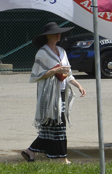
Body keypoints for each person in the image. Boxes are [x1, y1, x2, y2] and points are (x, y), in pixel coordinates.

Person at [22, 22, 86, 163]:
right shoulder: (42, 53)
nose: (59, 35)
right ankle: (62, 158)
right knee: (59, 124)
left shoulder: (62, 51)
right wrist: (55, 70)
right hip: (49, 94)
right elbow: (37, 75)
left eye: (59, 33)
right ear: (47, 36)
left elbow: (67, 72)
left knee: (50, 127)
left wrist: (78, 85)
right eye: (55, 33)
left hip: (61, 92)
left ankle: (30, 151)